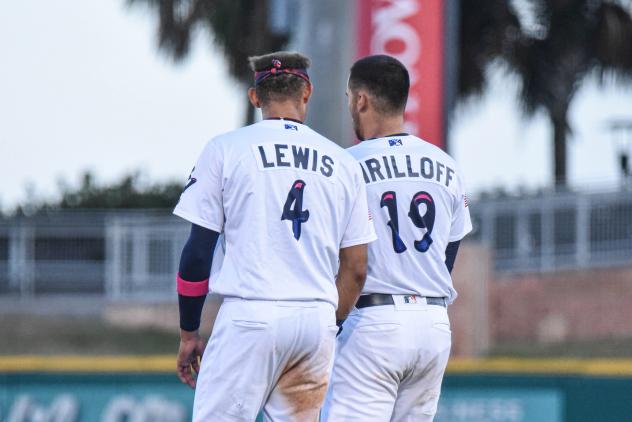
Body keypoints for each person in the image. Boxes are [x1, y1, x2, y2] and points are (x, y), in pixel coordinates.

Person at [172, 51, 376, 422]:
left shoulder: (225, 149)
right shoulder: (344, 163)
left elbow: (197, 254)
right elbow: (357, 269)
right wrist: (328, 323)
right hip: (314, 318)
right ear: (306, 93)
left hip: (251, 314)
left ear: (255, 97)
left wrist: (189, 333)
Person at [322, 55, 472, 421]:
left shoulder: (346, 165)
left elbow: (337, 263)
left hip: (373, 321)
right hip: (433, 323)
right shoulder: (446, 165)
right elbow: (448, 253)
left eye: (348, 98)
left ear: (361, 100)